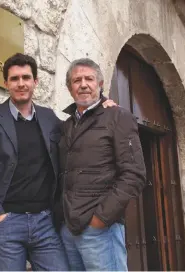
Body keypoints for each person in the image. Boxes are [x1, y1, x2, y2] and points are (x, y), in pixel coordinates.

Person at [0, 53, 115, 270]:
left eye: (26, 77)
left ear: (36, 82)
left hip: (45, 223)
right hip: (7, 222)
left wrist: (102, 104)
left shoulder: (49, 119)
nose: (21, 83)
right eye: (14, 79)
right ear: (6, 83)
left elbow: (78, 131)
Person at [58, 58, 146, 271]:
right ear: (70, 89)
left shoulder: (118, 116)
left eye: (89, 78)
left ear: (100, 84)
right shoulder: (66, 125)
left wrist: (101, 219)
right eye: (77, 80)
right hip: (68, 229)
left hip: (99, 230)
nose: (84, 84)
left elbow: (134, 174)